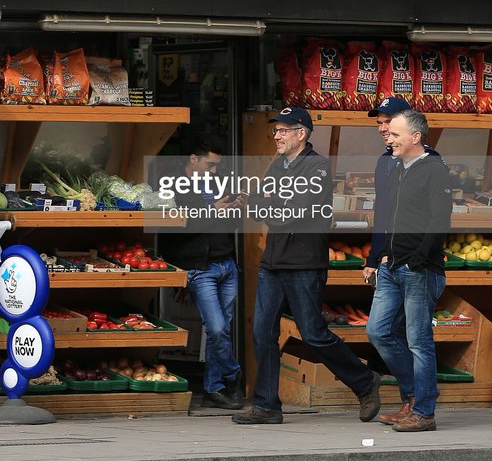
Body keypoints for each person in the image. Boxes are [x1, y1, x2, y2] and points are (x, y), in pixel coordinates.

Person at [233, 107, 381, 426]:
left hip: (304, 263)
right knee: (262, 332)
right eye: (276, 130)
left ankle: (365, 381)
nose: (276, 135)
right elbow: (266, 205)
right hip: (273, 261)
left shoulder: (316, 168)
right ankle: (267, 405)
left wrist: (264, 205)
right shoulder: (278, 167)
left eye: (283, 130)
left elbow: (293, 214)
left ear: (301, 133)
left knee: (313, 333)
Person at [364, 109, 453, 433]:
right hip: (392, 266)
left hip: (419, 269)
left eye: (396, 134)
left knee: (419, 342)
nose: (389, 137)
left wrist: (416, 259)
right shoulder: (396, 168)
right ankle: (415, 396)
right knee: (378, 331)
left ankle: (424, 412)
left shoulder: (434, 170)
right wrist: (381, 256)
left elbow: (440, 221)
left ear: (415, 137)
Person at [151, 133, 243, 409]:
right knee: (216, 329)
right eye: (210, 165)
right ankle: (233, 374)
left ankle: (214, 387)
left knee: (223, 330)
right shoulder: (171, 187)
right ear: (193, 159)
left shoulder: (218, 183)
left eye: (217, 166)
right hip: (199, 268)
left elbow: (230, 223)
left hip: (227, 264)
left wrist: (235, 208)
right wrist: (212, 211)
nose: (214, 171)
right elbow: (172, 226)